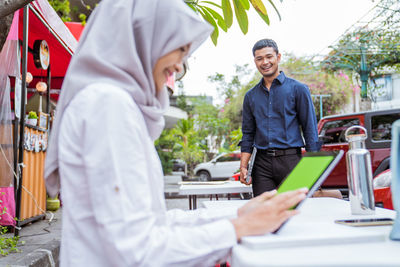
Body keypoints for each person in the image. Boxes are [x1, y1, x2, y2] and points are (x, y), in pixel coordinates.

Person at [44, 1, 308, 266]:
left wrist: (237, 216)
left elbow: (151, 223)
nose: (180, 66)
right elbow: (137, 251)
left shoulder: (110, 102)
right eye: (179, 50)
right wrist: (236, 228)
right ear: (145, 38)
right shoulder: (107, 106)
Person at [239, 39, 320, 197]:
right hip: (261, 164)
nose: (265, 62)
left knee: (295, 210)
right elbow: (248, 133)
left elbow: (310, 129)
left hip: (291, 160)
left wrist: (313, 169)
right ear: (255, 61)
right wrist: (243, 166)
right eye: (259, 58)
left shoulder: (299, 89)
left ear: (278, 57)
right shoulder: (250, 96)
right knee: (264, 212)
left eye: (269, 56)